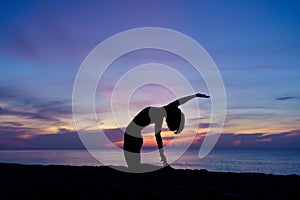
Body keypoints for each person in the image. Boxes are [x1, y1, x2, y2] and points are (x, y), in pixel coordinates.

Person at [123, 93, 210, 170]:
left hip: (133, 136)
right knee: (134, 167)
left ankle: (162, 169)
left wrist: (195, 96)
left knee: (134, 167)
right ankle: (163, 169)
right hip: (132, 137)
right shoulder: (160, 114)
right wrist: (195, 95)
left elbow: (180, 101)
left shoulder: (163, 111)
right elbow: (158, 136)